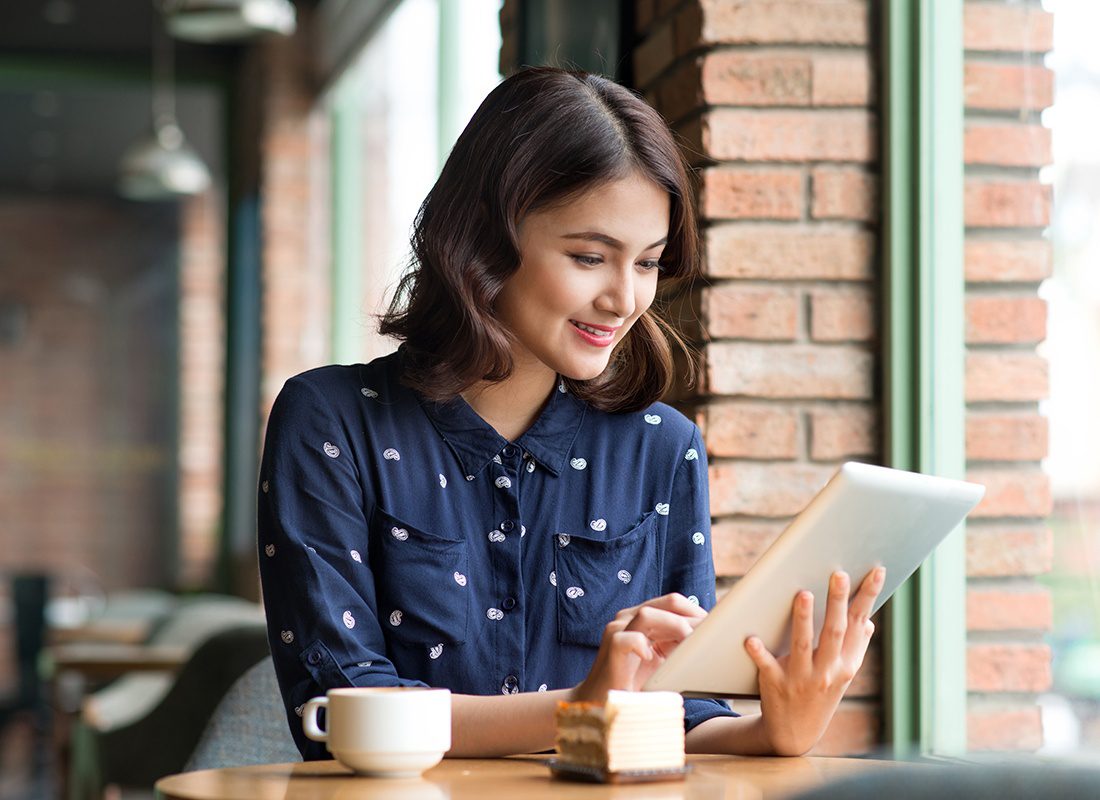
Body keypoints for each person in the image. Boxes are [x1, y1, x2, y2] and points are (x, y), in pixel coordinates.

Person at [257, 66, 884, 761]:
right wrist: (581, 708)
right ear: (485, 242)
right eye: (590, 256)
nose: (624, 299)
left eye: (646, 263)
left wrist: (772, 729)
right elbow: (339, 712)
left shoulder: (661, 448)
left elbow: (679, 705)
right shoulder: (331, 422)